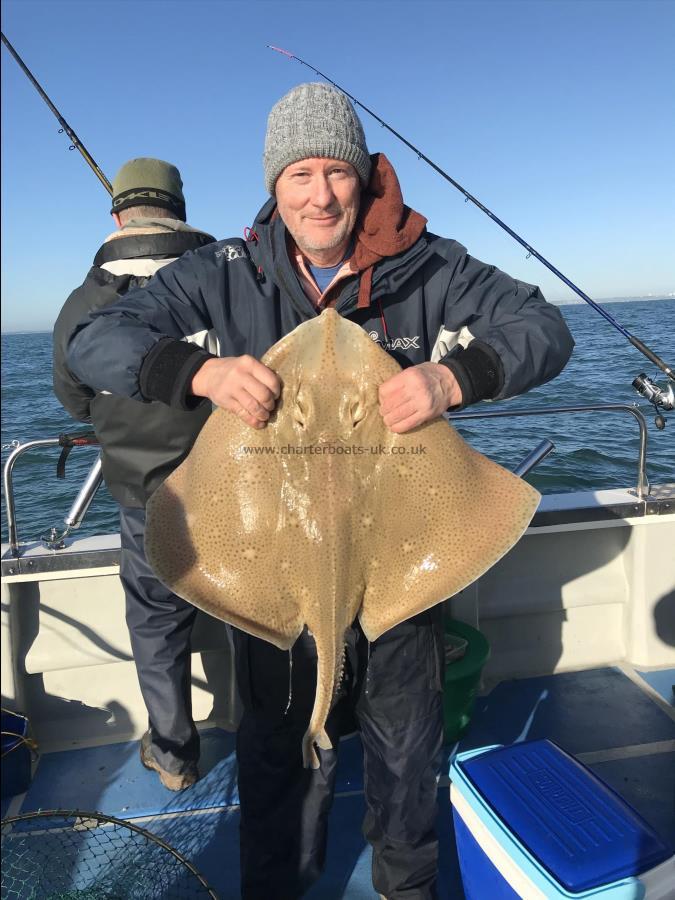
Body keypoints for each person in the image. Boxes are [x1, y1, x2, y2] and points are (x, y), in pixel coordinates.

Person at [67, 85, 574, 898]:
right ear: (275, 186)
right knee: (275, 763)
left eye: (335, 171)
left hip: (399, 573)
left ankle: (406, 887)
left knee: (407, 763)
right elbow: (94, 339)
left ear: (363, 177)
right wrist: (196, 369)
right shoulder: (223, 273)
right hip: (272, 568)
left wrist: (452, 378)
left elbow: (543, 329)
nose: (319, 194)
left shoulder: (431, 267)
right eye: (299, 174)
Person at [53, 158, 216, 791]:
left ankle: (174, 754)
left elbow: (75, 398)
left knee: (155, 621)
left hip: (143, 495)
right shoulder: (227, 283)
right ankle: (278, 731)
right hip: (235, 490)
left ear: (118, 216)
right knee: (258, 611)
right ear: (178, 209)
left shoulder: (80, 303)